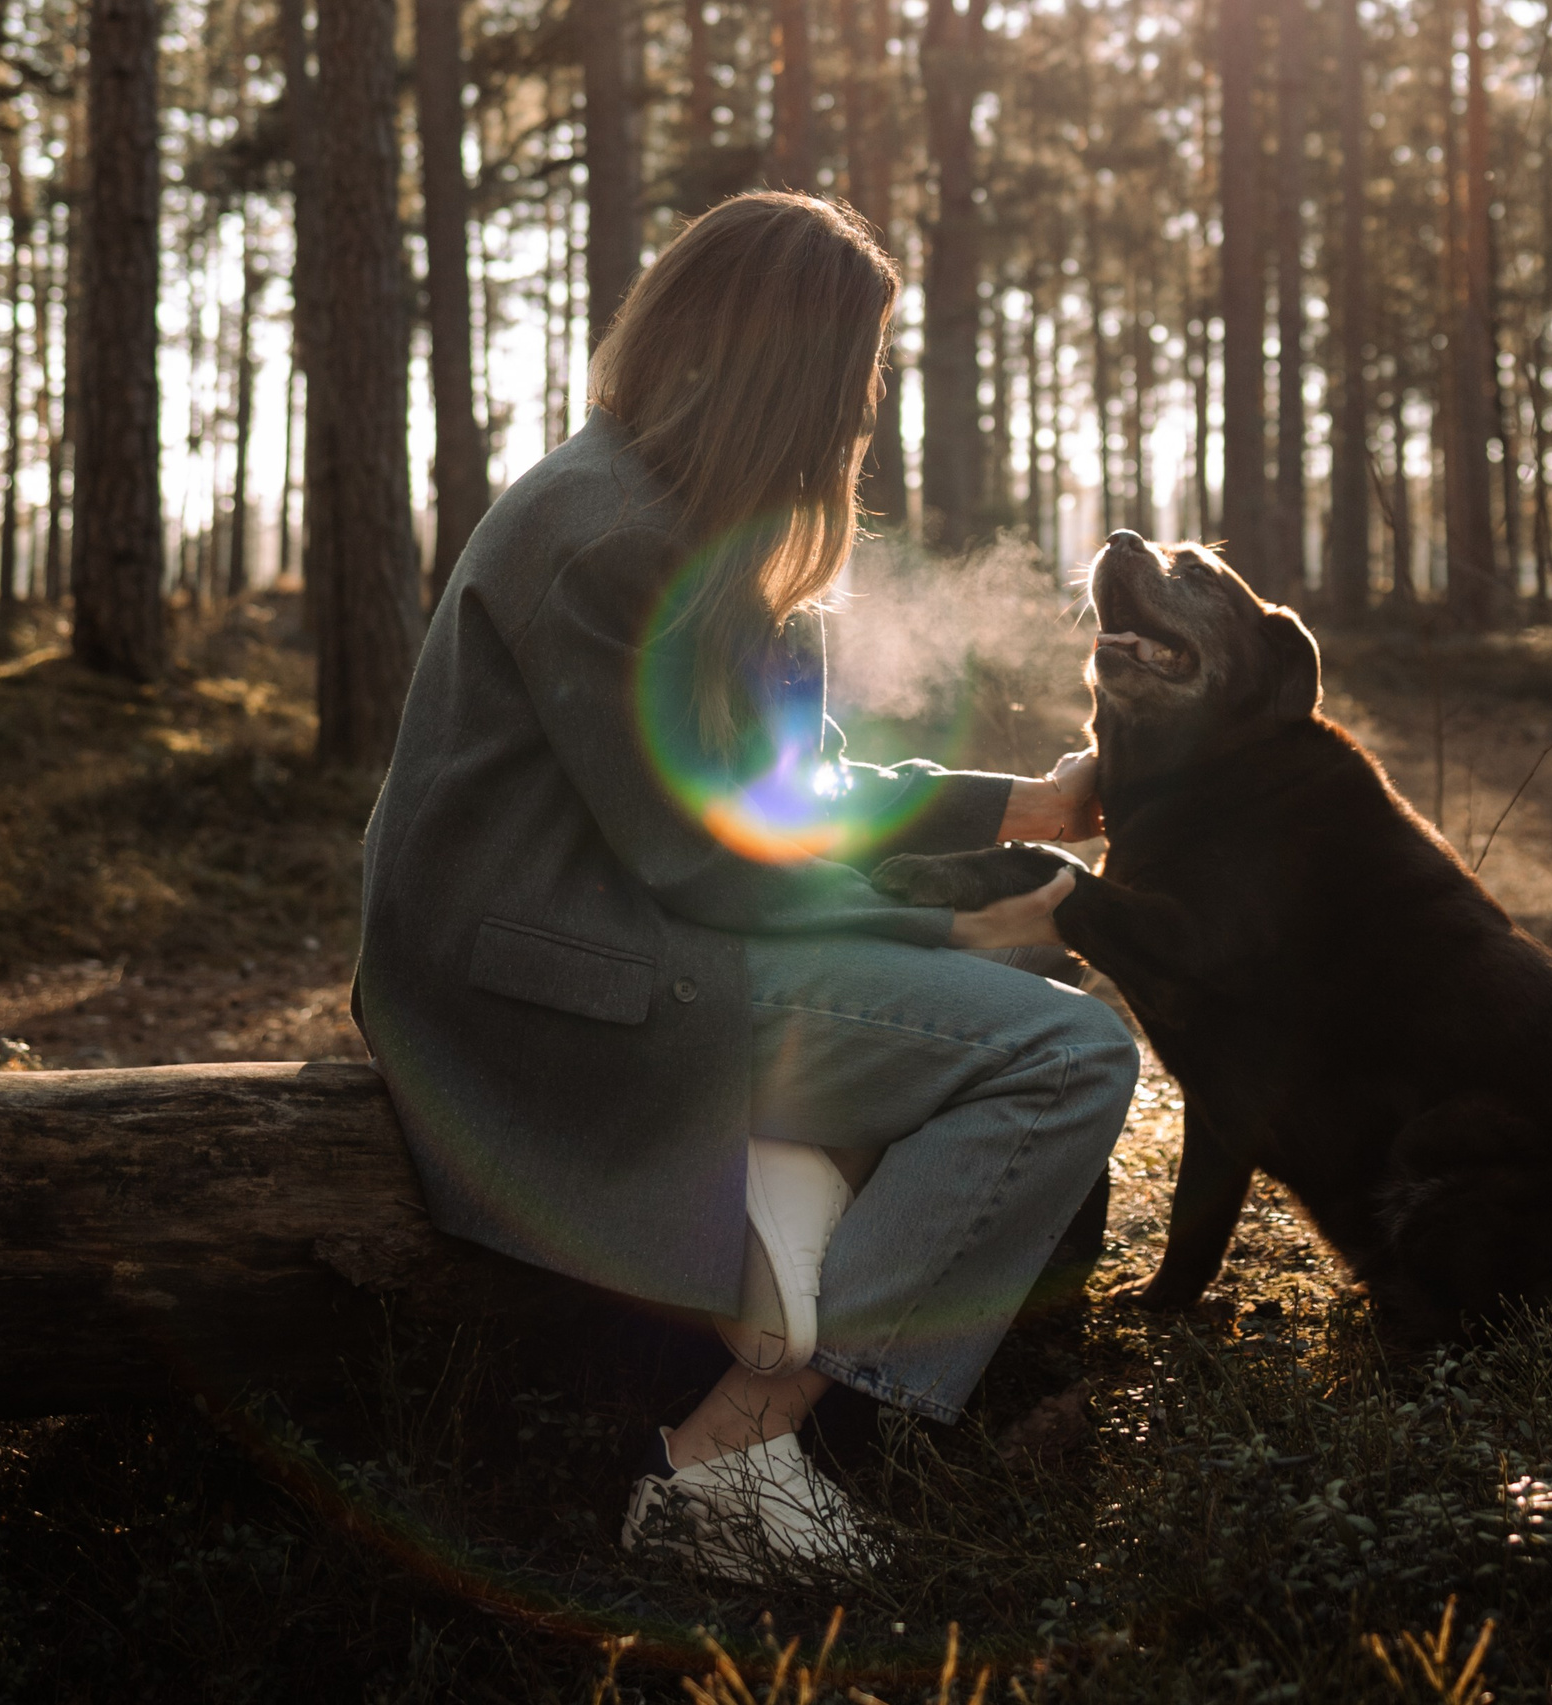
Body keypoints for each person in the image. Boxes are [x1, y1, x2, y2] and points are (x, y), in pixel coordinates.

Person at [353, 192, 1140, 1581]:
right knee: (1071, 1050)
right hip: (561, 993)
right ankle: (737, 1451)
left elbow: (794, 793)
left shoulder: (692, 529)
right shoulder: (605, 541)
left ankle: (788, 1215)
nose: (867, 409)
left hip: (649, 941)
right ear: (793, 373)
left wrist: (1023, 803)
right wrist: (959, 921)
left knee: (1027, 986)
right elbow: (707, 855)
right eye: (858, 372)